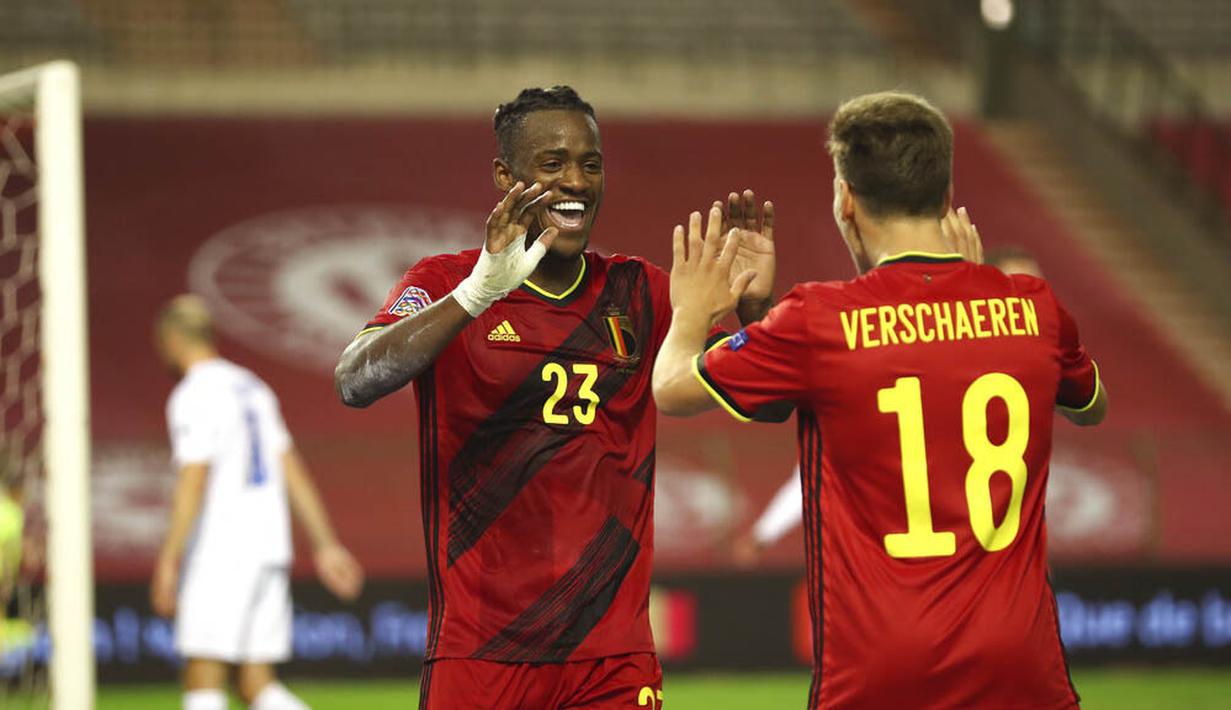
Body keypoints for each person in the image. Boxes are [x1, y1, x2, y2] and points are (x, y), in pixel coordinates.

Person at [653, 91, 1106, 709]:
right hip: (1021, 669)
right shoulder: (1035, 307)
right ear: (946, 194)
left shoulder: (818, 320)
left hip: (880, 673)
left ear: (846, 198)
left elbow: (671, 389)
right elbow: (1091, 404)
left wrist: (691, 311)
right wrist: (979, 291)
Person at [334, 85, 775, 709]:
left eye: (590, 164)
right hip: (482, 652)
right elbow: (355, 380)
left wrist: (757, 312)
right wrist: (476, 294)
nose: (576, 181)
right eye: (553, 163)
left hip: (611, 660)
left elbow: (772, 398)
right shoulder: (443, 282)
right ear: (504, 176)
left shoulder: (641, 294)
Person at [732, 245, 1047, 565]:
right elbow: (827, 463)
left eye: (1035, 289)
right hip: (911, 569)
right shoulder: (911, 367)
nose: (1030, 303)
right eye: (1016, 289)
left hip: (998, 571)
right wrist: (765, 532)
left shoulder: (1035, 366)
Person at [152, 294, 364, 710]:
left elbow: (194, 478)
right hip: (268, 547)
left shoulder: (194, 393)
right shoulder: (252, 387)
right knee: (255, 684)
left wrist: (169, 558)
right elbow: (292, 469)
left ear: (171, 340)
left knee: (203, 675)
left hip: (221, 549)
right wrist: (325, 544)